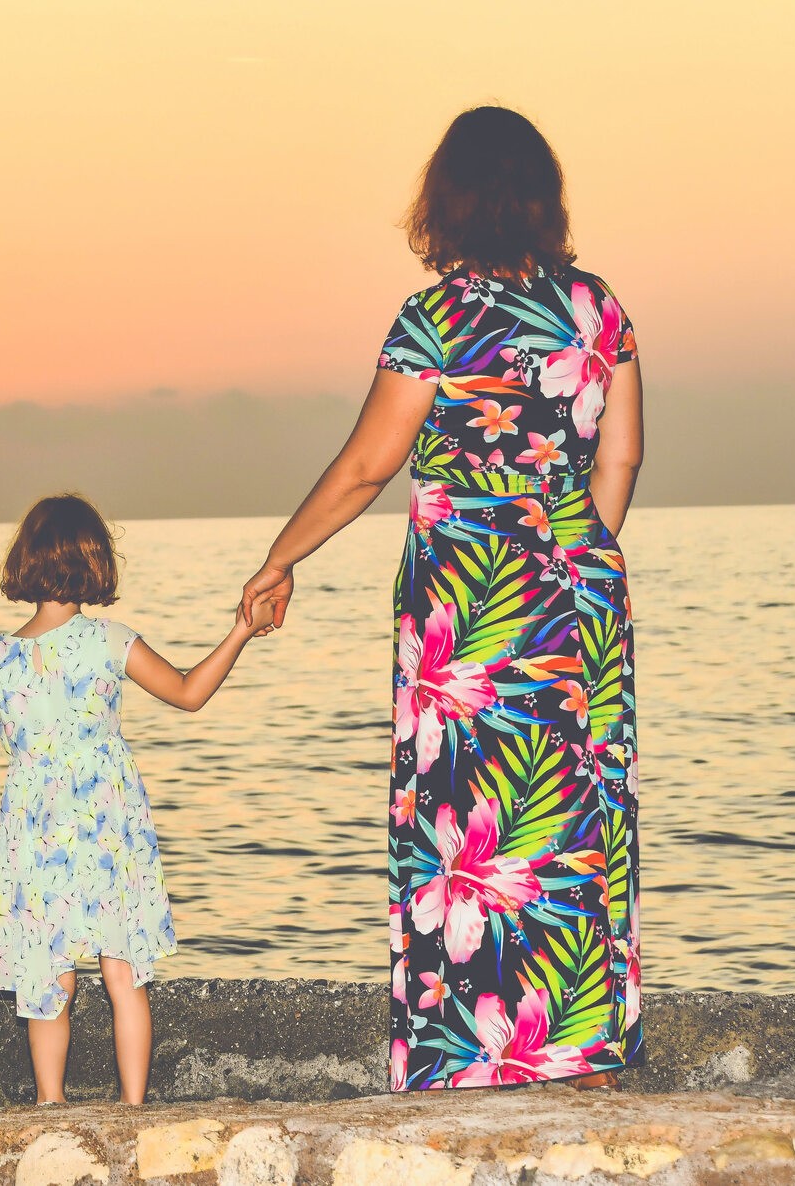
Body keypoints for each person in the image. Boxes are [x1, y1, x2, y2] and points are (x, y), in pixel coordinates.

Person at [236, 105, 644, 1093]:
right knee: (567, 819)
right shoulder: (598, 310)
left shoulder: (438, 319)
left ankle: (467, 1056)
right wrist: (565, 556)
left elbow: (365, 466)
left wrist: (277, 557)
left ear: (446, 200)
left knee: (466, 818)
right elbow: (621, 455)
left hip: (467, 602)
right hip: (575, 589)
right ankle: (578, 1055)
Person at [0, 494, 264, 1105]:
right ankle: (132, 1107)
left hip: (37, 821)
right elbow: (188, 692)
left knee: (48, 968)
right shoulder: (110, 640)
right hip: (108, 819)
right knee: (122, 971)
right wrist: (241, 630)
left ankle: (51, 1105)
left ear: (26, 560)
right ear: (96, 562)